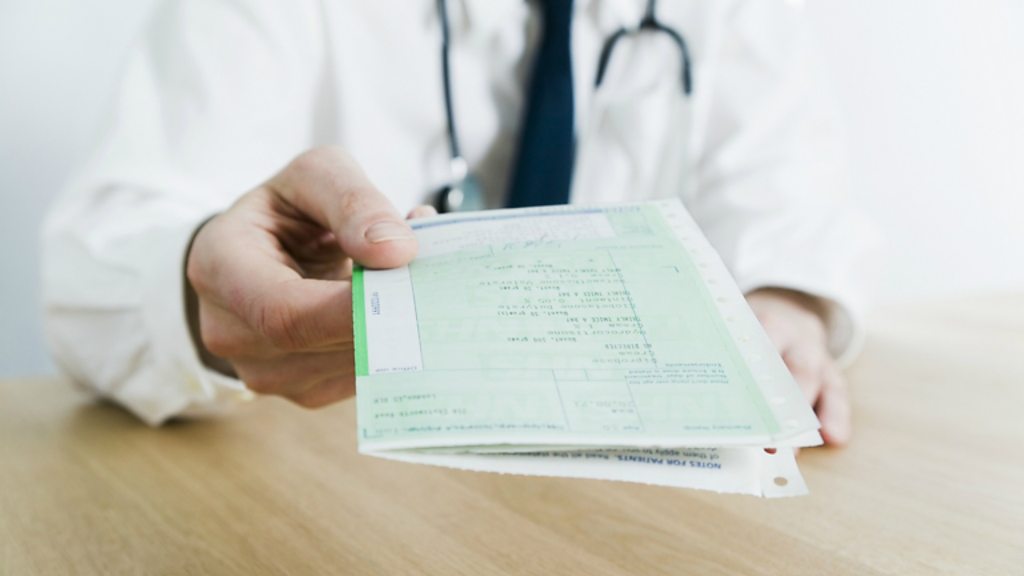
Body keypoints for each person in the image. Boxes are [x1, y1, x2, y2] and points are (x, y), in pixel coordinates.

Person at [43, 0, 870, 446]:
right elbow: (94, 272)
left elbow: (793, 212)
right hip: (348, 491)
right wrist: (202, 287)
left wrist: (787, 303)